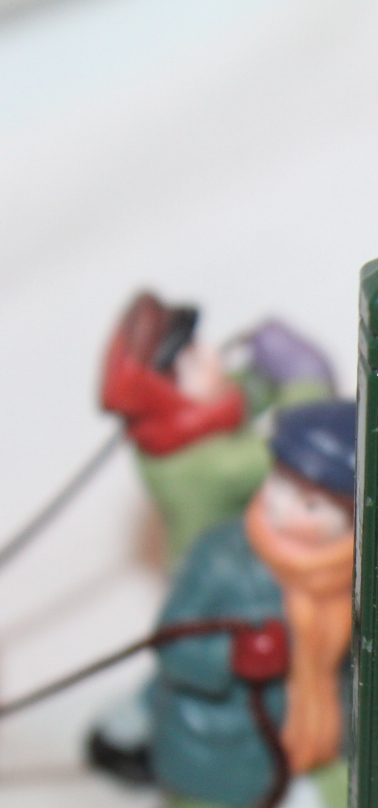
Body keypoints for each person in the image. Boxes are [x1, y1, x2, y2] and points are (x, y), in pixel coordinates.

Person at [91, 293, 336, 782]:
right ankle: (132, 727)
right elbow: (291, 451)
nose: (211, 356)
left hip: (231, 565)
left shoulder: (187, 427)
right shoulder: (200, 464)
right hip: (220, 581)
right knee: (197, 663)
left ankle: (127, 725)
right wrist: (306, 379)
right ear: (162, 395)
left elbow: (236, 397)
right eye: (190, 359)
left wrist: (264, 373)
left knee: (193, 661)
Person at [135, 400, 356, 808]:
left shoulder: (356, 570)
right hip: (226, 735)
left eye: (311, 505)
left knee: (355, 799)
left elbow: (364, 643)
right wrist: (232, 657)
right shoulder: (221, 557)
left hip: (322, 722)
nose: (282, 507)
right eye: (279, 484)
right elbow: (172, 645)